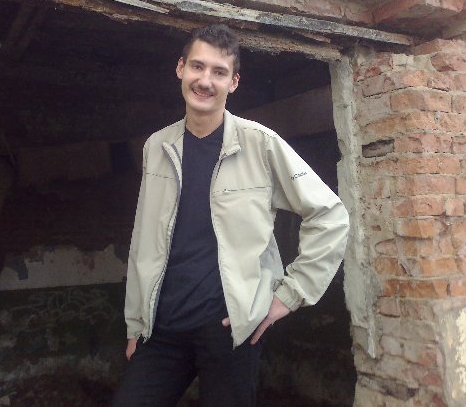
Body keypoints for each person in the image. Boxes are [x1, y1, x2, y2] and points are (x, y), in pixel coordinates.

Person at [111, 24, 349, 407]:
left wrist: (289, 296)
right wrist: (136, 322)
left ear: (233, 82)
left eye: (219, 72)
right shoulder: (157, 146)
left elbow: (330, 214)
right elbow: (144, 238)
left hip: (229, 329)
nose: (205, 81)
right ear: (180, 68)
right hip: (162, 327)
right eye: (197, 66)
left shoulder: (260, 144)